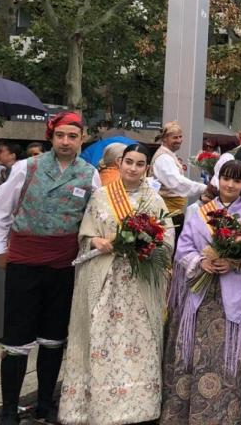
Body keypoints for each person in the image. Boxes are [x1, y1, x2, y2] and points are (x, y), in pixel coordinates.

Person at [0, 111, 100, 425]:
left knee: (54, 336)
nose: (66, 142)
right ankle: (9, 409)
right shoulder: (27, 167)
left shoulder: (90, 175)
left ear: (82, 139)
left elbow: (94, 220)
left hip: (63, 265)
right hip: (24, 261)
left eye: (72, 136)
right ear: (51, 137)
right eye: (60, 135)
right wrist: (1, 250)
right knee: (16, 337)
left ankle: (45, 404)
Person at [59, 144, 173, 424]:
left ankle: (139, 406)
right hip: (106, 278)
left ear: (147, 167)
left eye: (139, 163)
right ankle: (96, 405)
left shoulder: (155, 200)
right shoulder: (100, 196)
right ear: (119, 163)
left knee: (139, 337)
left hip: (139, 282)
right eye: (129, 162)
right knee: (100, 336)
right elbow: (85, 234)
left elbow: (167, 240)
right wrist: (97, 241)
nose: (133, 168)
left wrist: (147, 246)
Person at [160, 160, 241, 424]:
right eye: (226, 178)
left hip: (233, 295)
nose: (230, 185)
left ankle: (225, 415)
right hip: (201, 292)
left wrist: (234, 261)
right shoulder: (198, 211)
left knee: (229, 356)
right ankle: (186, 413)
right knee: (192, 353)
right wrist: (201, 261)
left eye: (237, 181)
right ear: (218, 179)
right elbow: (183, 248)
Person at [150, 121, 208, 218]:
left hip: (172, 211)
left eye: (180, 137)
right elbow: (176, 182)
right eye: (175, 137)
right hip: (166, 212)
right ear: (165, 138)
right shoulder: (163, 158)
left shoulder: (168, 155)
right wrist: (204, 188)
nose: (179, 140)